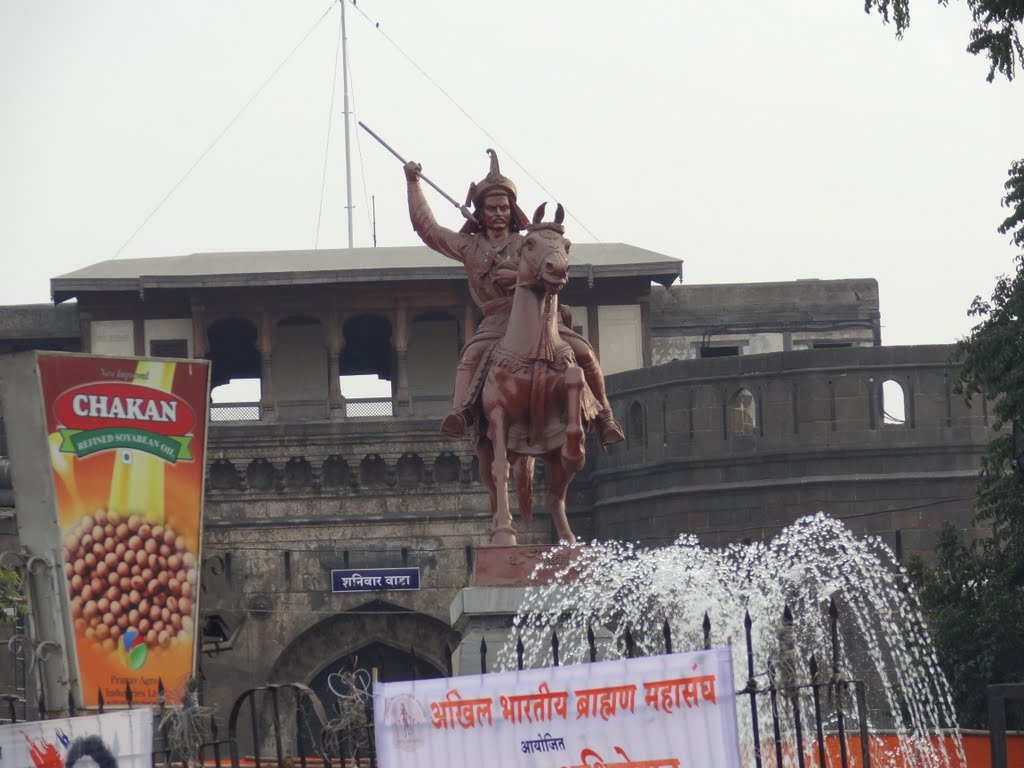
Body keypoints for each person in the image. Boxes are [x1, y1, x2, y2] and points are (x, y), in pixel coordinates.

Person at [405, 149, 624, 445]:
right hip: (497, 321)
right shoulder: (469, 247)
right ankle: (461, 412)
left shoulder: (528, 243)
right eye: (491, 208)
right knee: (470, 357)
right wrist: (413, 184)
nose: (498, 214)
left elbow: (551, 271)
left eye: (503, 208)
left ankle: (605, 416)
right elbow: (428, 229)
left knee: (583, 352)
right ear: (480, 212)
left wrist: (519, 277)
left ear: (512, 211)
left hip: (539, 320)